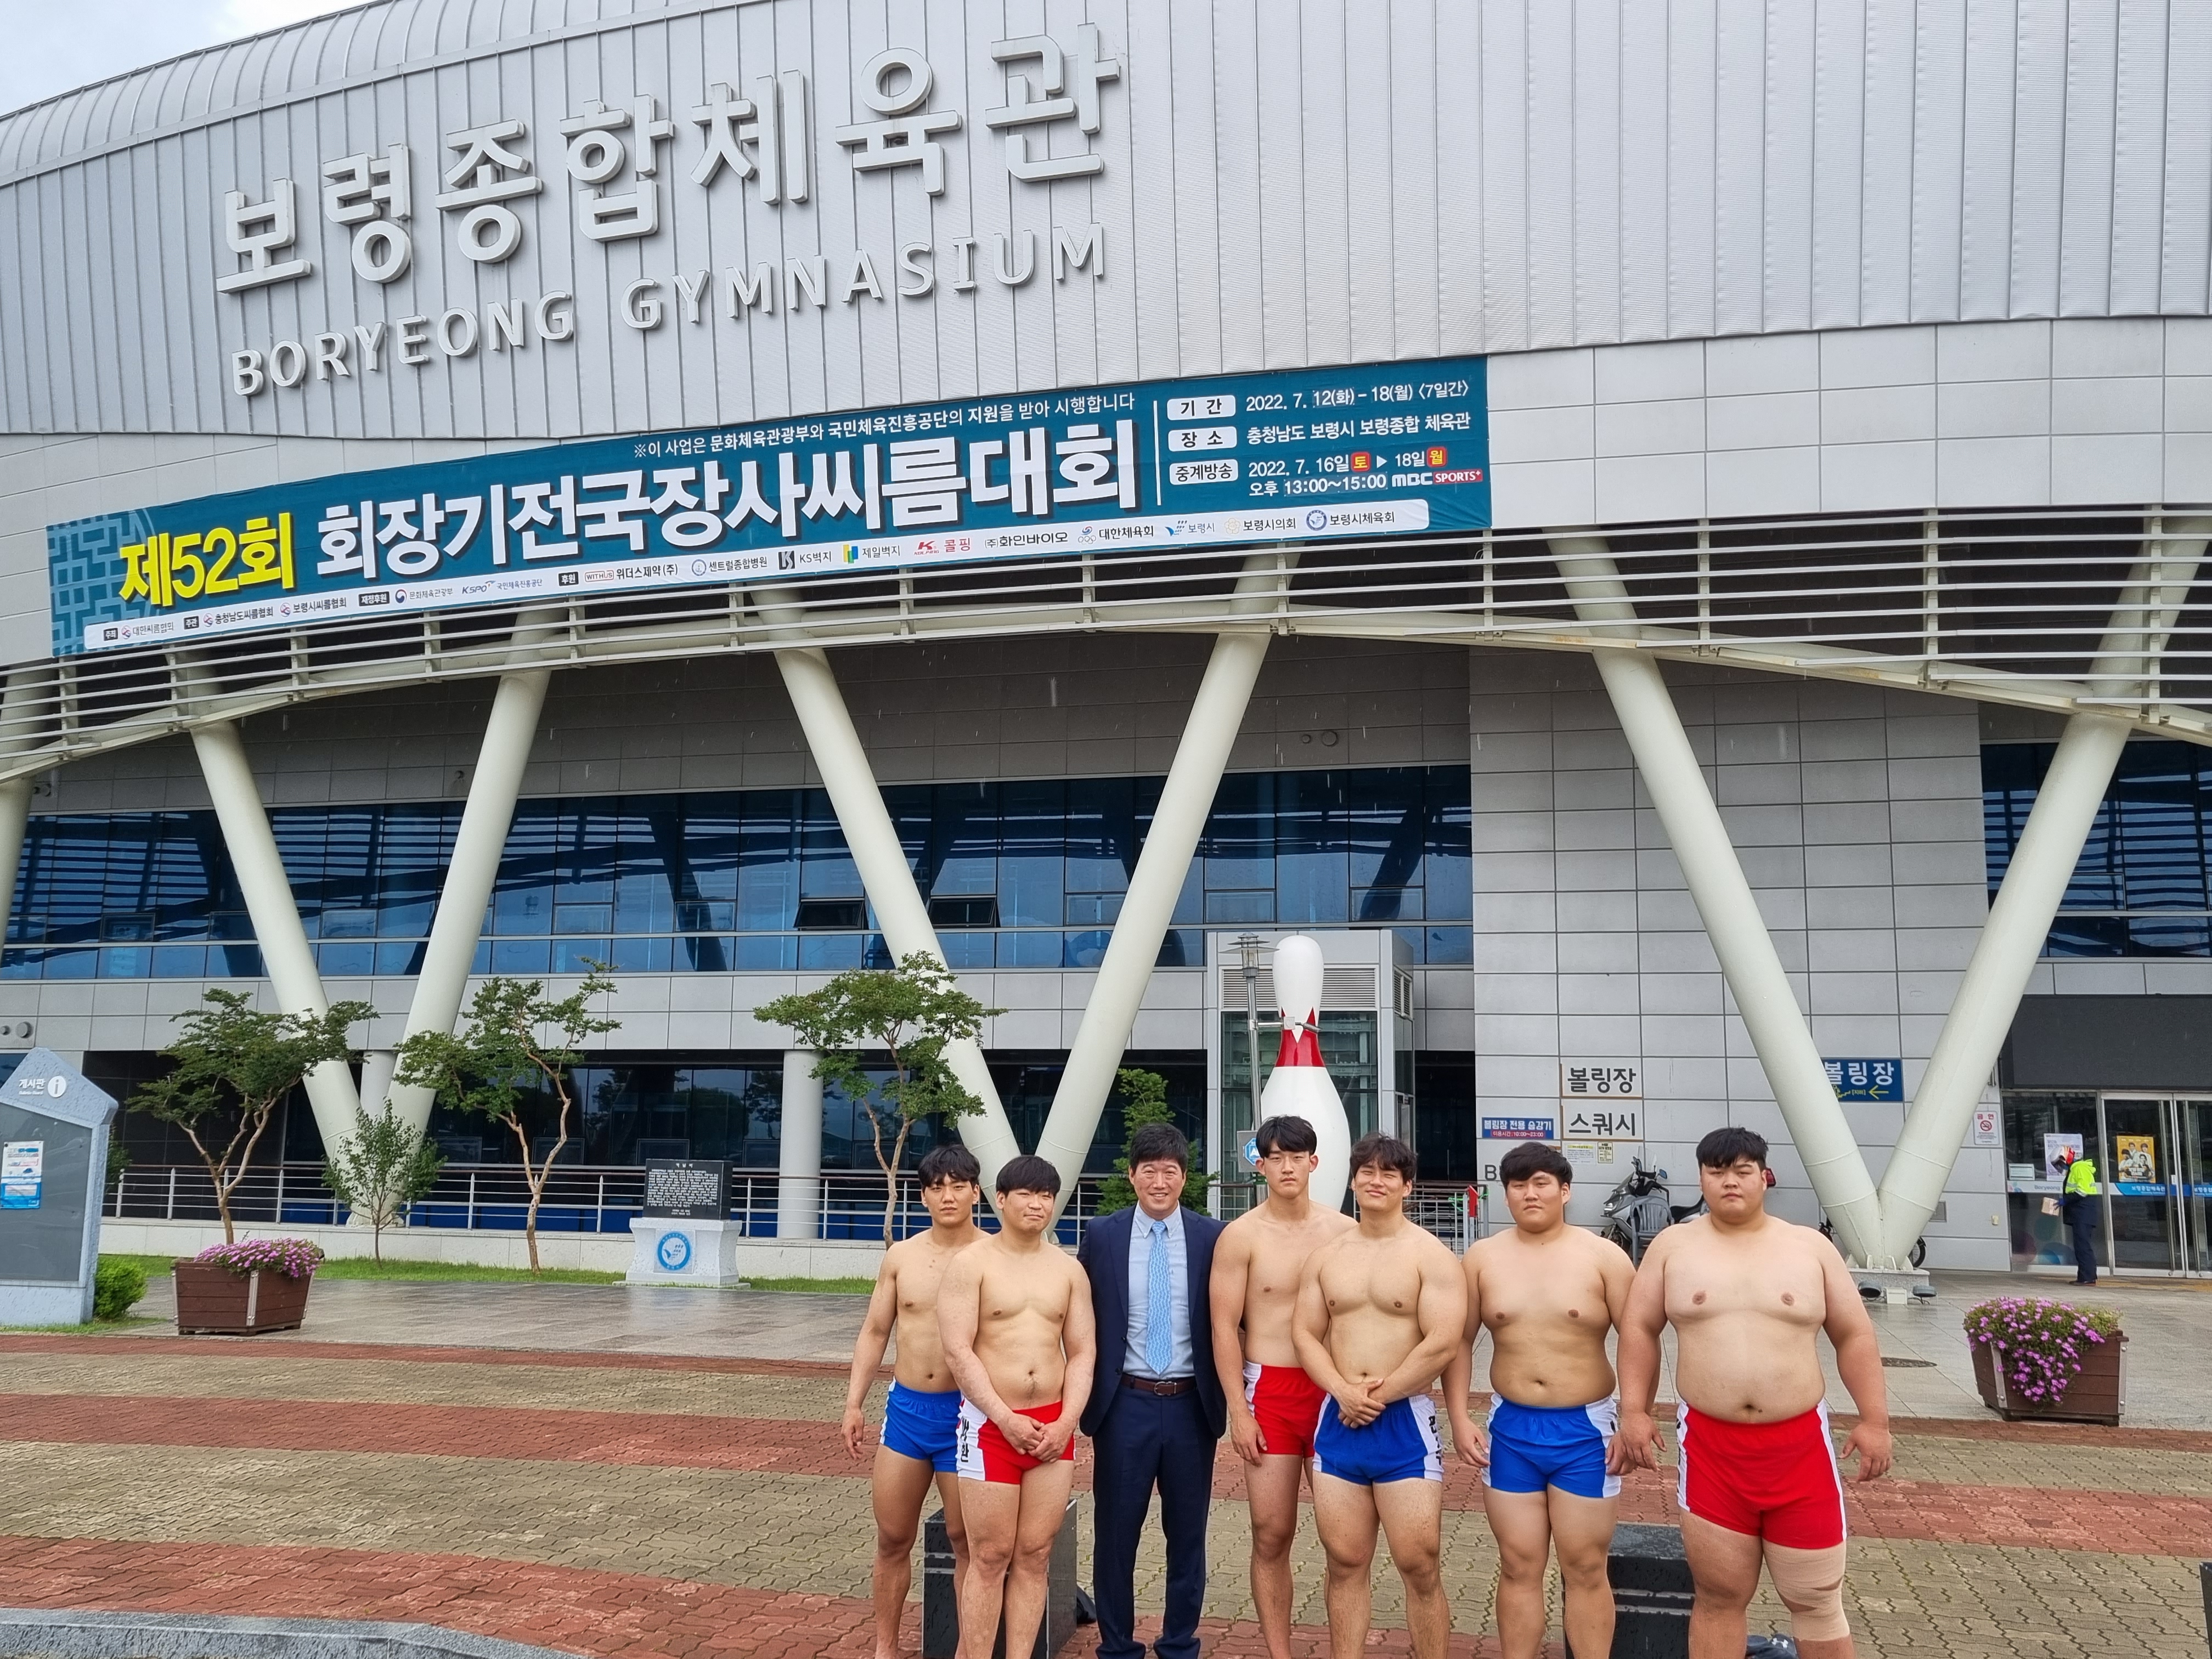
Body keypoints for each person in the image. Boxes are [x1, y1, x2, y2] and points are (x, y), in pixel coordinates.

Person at [1612, 1127, 1892, 1659]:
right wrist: (1634, 1411)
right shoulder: (1673, 1247)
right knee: (1719, 1596)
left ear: (1764, 1177)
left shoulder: (1809, 1247)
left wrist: (1874, 1420)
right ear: (1701, 1179)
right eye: (1717, 1172)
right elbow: (1639, 1328)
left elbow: (1854, 1334)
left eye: (1742, 1171)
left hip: (1799, 1448)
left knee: (1815, 1599)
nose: (1730, 1182)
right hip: (1712, 1449)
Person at [1442, 1141, 1635, 1659]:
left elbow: (1638, 1338)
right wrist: (1458, 1416)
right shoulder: (1483, 1258)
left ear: (1565, 1191)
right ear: (1506, 1194)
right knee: (1518, 1564)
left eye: (1541, 1183)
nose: (1530, 1194)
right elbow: (1458, 1340)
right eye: (1518, 1185)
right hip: (1511, 1430)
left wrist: (1634, 1417)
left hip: (1585, 1432)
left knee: (1586, 1567)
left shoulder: (1604, 1257)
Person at [1291, 1133, 1465, 1659]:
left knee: (1420, 1562)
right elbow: (1305, 1334)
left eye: (1389, 1173)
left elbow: (1443, 1342)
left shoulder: (1431, 1256)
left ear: (1408, 1186)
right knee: (1344, 1561)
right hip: (1340, 1419)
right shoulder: (1327, 1257)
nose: (1376, 1181)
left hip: (1403, 1421)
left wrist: (1377, 1395)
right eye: (1367, 1171)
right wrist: (1342, 1390)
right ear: (1353, 1181)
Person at [1076, 1121, 1227, 1659]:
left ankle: (1179, 1643)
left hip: (1191, 1405)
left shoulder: (1213, 1237)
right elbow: (1078, 1314)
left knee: (1187, 1535)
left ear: (1184, 1177)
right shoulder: (1103, 1235)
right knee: (1117, 1535)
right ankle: (1117, 1646)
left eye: (1169, 1171)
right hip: (1125, 1404)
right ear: (1131, 1175)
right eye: (1149, 1171)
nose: (1159, 1182)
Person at [1209, 1114, 1357, 1659]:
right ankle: (1279, 1652)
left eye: (1297, 1157)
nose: (1287, 1167)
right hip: (1269, 1391)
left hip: (1331, 1394)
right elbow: (1224, 1327)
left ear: (1314, 1163)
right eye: (1276, 1158)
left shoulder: (1344, 1232)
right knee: (1271, 1533)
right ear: (1261, 1165)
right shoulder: (1241, 1236)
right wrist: (1238, 1412)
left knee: (1343, 1542)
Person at [939, 1155, 1097, 1659]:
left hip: (1053, 1427)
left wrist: (1068, 1421)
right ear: (1001, 1199)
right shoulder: (972, 1264)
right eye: (1026, 1194)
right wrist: (1004, 1417)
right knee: (989, 1556)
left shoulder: (1068, 1270)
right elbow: (958, 1351)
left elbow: (1083, 1352)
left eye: (1046, 1195)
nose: (1037, 1204)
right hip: (991, 1425)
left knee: (1035, 1554)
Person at [842, 1143, 988, 1659]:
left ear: (976, 1192)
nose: (947, 1196)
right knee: (892, 1537)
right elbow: (875, 1331)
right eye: (936, 1187)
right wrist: (854, 1403)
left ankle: (967, 1650)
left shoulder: (994, 1256)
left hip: (966, 1416)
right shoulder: (901, 1256)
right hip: (907, 1412)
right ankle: (885, 1647)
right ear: (923, 1196)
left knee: (966, 1542)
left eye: (958, 1186)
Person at [2059, 1147, 2101, 1285]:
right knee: (2081, 1246)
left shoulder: (2079, 1168)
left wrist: (2066, 1200)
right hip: (2082, 1214)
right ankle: (2085, 1276)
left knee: (2083, 1246)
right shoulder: (2076, 1168)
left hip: (2083, 1213)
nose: (2061, 1167)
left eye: (2060, 1163)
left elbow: (2082, 1191)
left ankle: (2087, 1277)